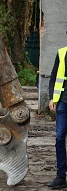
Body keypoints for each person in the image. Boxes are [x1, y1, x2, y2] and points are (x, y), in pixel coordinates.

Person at [47, 46, 67, 189]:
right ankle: (61, 176)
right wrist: (51, 98)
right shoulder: (61, 52)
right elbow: (54, 76)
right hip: (63, 103)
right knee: (60, 138)